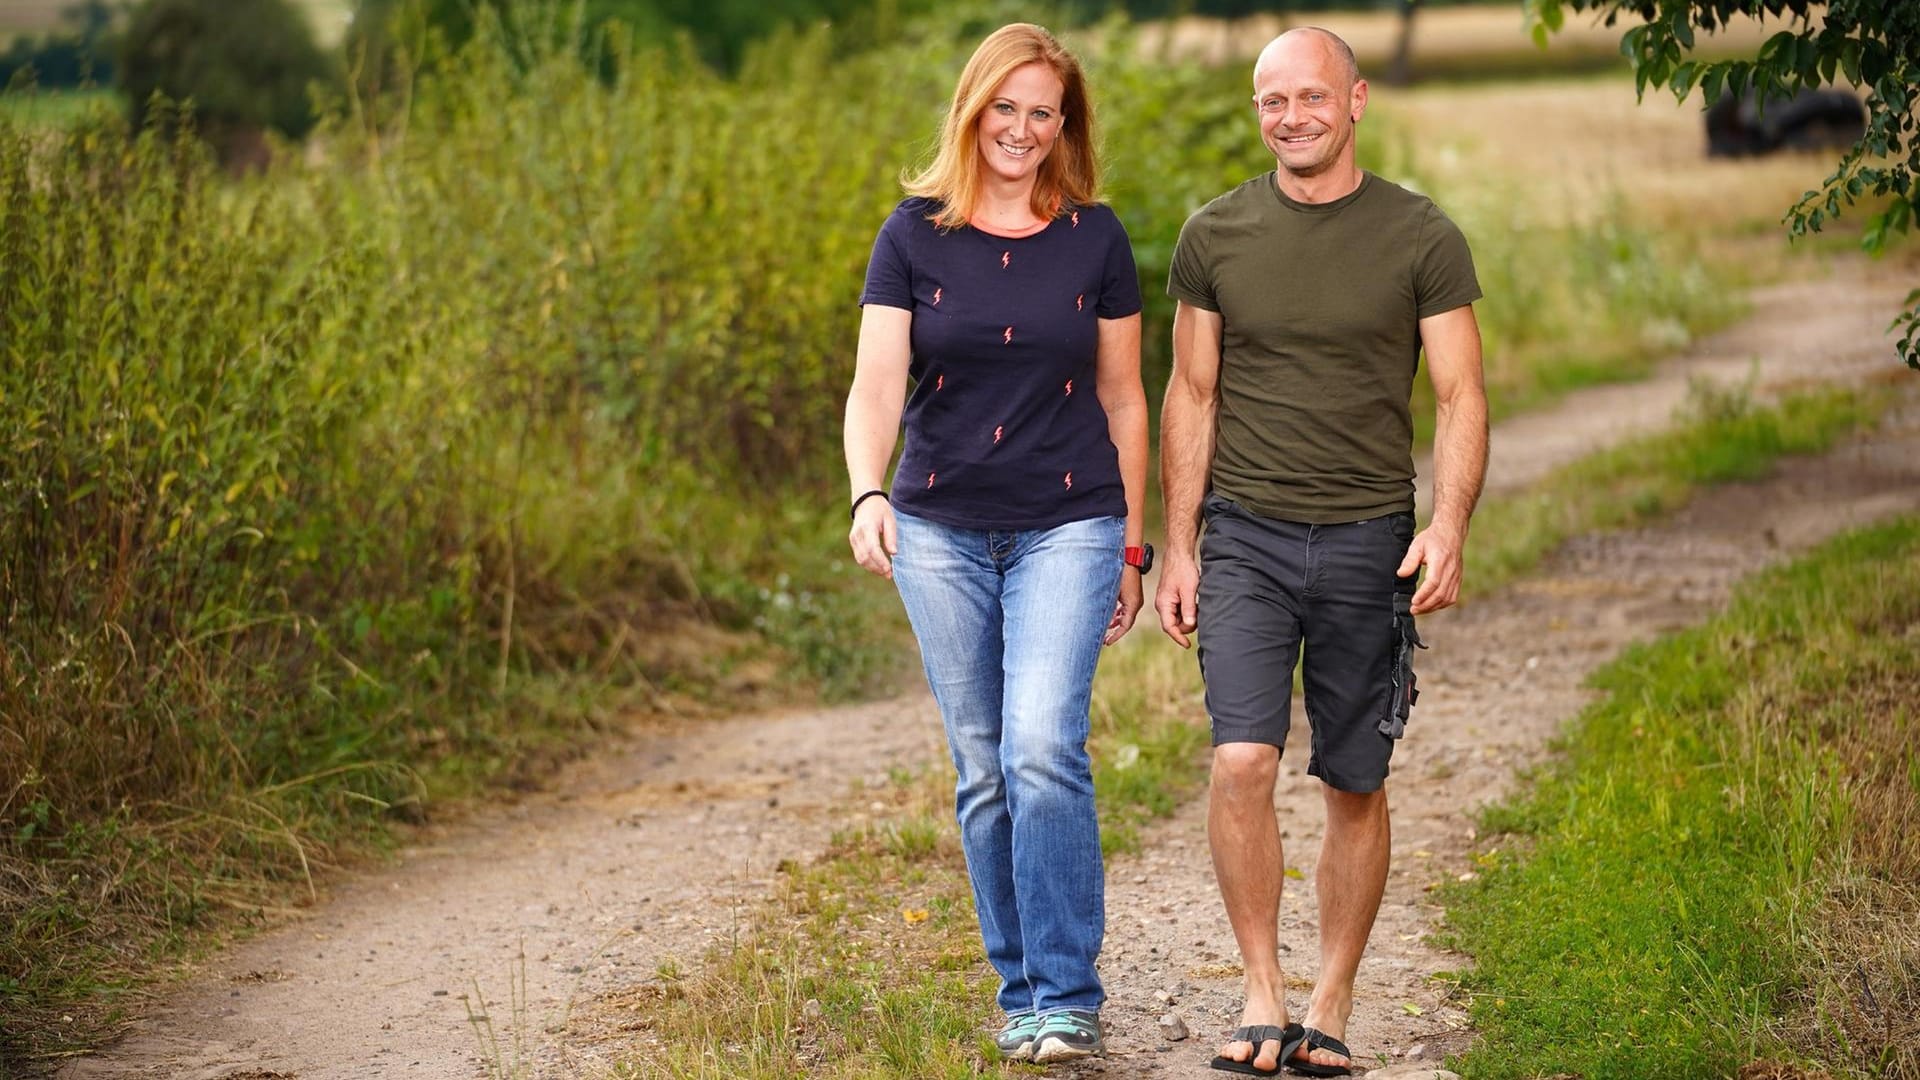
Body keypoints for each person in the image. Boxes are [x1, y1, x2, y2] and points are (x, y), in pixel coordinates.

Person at [1153, 27, 1487, 1079]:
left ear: (1355, 101)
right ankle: (1261, 989)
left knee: (1354, 780)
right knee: (1242, 759)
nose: (1288, 116)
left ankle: (1332, 997)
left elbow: (1461, 395)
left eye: (1309, 96)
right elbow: (1191, 394)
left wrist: (1449, 524)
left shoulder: (1421, 235)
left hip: (1370, 541)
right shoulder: (1215, 235)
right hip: (1246, 534)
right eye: (1270, 100)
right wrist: (1179, 547)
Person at [842, 22, 1149, 1066]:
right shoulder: (912, 234)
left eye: (1043, 112)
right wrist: (865, 493)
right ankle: (1021, 994)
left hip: (1072, 519)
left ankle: (1068, 993)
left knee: (1040, 751)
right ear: (973, 108)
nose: (1021, 129)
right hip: (937, 527)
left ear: (1066, 127)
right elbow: (877, 385)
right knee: (981, 768)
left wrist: (1138, 548)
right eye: (1005, 107)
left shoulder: (1096, 238)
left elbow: (1124, 397)